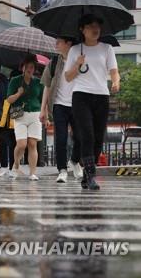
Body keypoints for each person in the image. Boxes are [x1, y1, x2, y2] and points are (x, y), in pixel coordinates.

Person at [64, 14, 120, 190]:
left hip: (102, 96)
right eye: (90, 26)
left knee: (98, 138)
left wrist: (116, 81)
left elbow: (114, 70)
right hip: (81, 95)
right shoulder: (75, 50)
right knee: (86, 134)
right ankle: (90, 175)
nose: (95, 29)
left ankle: (87, 172)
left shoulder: (107, 48)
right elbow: (67, 77)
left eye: (97, 26)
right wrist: (77, 65)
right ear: (82, 29)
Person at [40, 36, 83, 183]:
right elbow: (46, 86)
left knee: (80, 137)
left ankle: (75, 161)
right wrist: (43, 109)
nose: (56, 44)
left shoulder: (80, 60)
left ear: (68, 43)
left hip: (77, 105)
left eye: (59, 42)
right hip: (59, 105)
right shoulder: (53, 63)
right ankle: (62, 170)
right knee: (61, 139)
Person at [7, 55, 43, 181]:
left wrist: (46, 116)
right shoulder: (15, 81)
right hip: (20, 115)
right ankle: (16, 165)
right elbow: (9, 99)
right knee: (21, 144)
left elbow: (43, 100)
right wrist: (19, 93)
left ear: (34, 69)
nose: (29, 69)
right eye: (27, 67)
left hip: (35, 114)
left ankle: (32, 172)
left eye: (32, 67)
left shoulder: (38, 82)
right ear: (22, 68)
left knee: (32, 143)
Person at [0, 99, 16, 177]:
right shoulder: (2, 88)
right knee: (3, 143)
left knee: (14, 145)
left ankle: (12, 168)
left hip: (16, 120)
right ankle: (4, 167)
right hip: (3, 121)